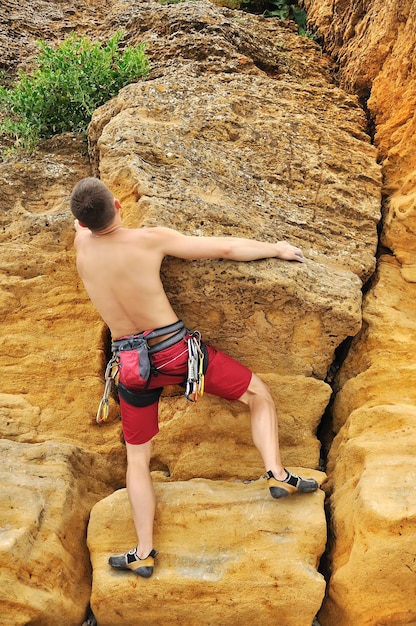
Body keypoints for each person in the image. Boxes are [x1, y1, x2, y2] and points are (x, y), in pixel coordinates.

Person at [70, 176, 318, 579]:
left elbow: (85, 221)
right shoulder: (149, 240)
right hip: (177, 355)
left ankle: (144, 552)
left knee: (138, 459)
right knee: (258, 394)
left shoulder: (82, 246)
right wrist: (277, 249)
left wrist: (86, 217)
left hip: (130, 367)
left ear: (80, 220)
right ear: (118, 204)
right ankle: (277, 474)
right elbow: (223, 247)